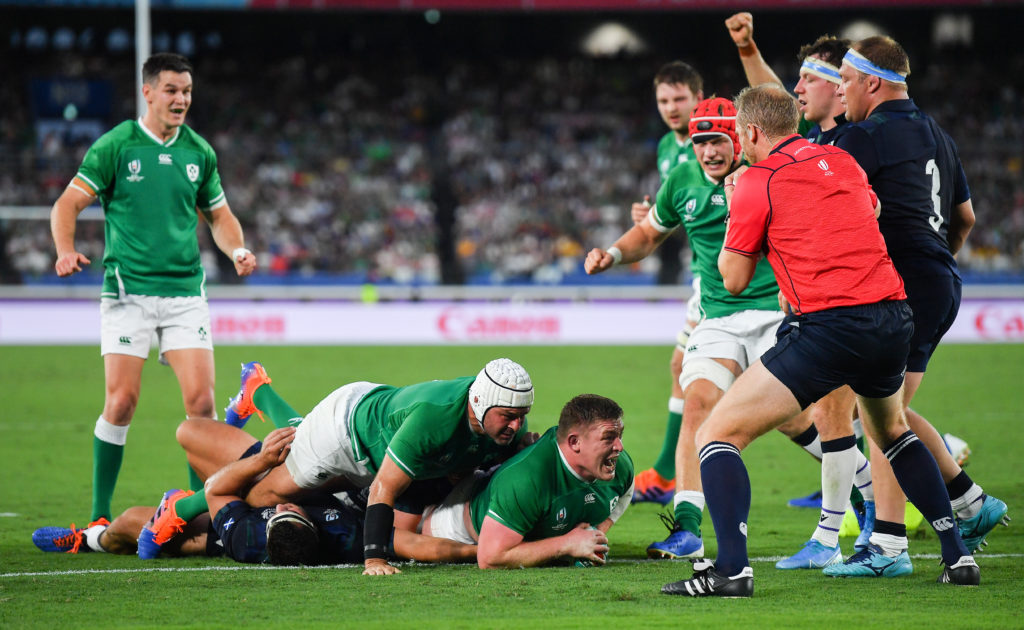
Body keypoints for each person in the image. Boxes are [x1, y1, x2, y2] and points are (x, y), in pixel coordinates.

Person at [661, 85, 979, 598]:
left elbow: (734, 278)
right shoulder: (843, 161)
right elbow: (869, 212)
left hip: (831, 325)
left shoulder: (756, 179)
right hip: (893, 316)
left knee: (717, 435)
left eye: (739, 133)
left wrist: (739, 219)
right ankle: (957, 555)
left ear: (751, 132)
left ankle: (732, 571)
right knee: (892, 431)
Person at [586, 97, 819, 561]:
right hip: (718, 318)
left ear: (738, 137)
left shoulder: (769, 173)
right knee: (696, 405)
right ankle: (688, 529)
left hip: (775, 315)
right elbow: (650, 234)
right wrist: (612, 253)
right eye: (700, 142)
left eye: (717, 140)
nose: (709, 151)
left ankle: (865, 491)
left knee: (796, 422)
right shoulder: (681, 181)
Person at [48, 52, 257, 529]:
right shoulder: (116, 146)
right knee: (121, 402)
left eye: (186, 91)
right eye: (171, 90)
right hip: (128, 293)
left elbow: (219, 215)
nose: (181, 99)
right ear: (147, 92)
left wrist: (236, 249)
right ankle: (100, 515)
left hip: (184, 293)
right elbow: (67, 203)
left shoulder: (198, 152)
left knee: (201, 406)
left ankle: (195, 513)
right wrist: (65, 249)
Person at [825, 36, 1008, 577]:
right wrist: (935, 263)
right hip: (940, 281)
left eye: (847, 82)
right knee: (885, 410)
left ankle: (888, 545)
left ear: (871, 83)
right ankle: (968, 500)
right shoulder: (939, 135)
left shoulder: (862, 137)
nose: (842, 92)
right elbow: (967, 218)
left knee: (881, 416)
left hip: (901, 284)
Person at [134, 358, 534, 575]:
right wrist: (374, 557)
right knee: (260, 494)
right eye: (509, 417)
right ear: (479, 404)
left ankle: (257, 390)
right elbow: (383, 490)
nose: (516, 425)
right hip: (344, 433)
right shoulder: (434, 418)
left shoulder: (499, 415)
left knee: (290, 446)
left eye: (522, 416)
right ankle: (178, 508)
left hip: (372, 424)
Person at [725, 13, 879, 569]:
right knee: (844, 422)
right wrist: (748, 49)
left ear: (841, 87)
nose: (795, 89)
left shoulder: (855, 144)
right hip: (851, 306)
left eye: (808, 79)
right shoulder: (825, 145)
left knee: (871, 424)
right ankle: (944, 512)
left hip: (853, 305)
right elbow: (772, 110)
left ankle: (873, 529)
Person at [33, 424, 476, 566]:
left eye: (280, 513)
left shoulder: (247, 537)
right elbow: (409, 543)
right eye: (292, 512)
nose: (284, 509)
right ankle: (257, 394)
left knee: (133, 522)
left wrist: (261, 460)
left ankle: (89, 538)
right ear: (309, 523)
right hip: (323, 480)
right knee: (308, 446)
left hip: (235, 505)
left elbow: (220, 489)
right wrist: (473, 552)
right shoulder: (347, 535)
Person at [414, 394, 633, 568]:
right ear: (575, 442)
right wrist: (566, 544)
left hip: (509, 497)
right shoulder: (528, 478)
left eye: (620, 435)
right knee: (404, 534)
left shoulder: (618, 466)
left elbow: (626, 491)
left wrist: (596, 533)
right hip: (462, 521)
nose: (619, 447)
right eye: (608, 438)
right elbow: (490, 558)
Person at [631, 61, 706, 505]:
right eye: (664, 100)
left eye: (679, 98)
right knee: (683, 370)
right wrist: (651, 219)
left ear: (698, 97)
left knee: (793, 409)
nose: (671, 108)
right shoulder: (665, 148)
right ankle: (664, 473)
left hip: (728, 279)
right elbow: (683, 210)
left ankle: (664, 474)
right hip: (705, 276)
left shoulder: (717, 141)